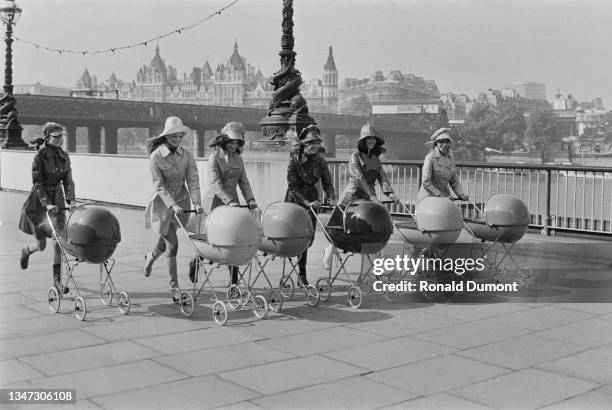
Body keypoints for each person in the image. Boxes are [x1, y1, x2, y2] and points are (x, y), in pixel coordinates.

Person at [143, 116, 203, 302]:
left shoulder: (187, 155)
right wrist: (173, 205)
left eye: (180, 136)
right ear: (166, 137)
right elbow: (159, 186)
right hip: (164, 203)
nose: (177, 140)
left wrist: (197, 202)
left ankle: (151, 257)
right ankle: (174, 287)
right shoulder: (156, 157)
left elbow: (193, 180)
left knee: (166, 240)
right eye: (173, 137)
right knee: (173, 244)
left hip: (183, 201)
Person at [323, 123, 399, 269]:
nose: (371, 141)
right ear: (363, 141)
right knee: (338, 226)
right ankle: (330, 249)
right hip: (352, 196)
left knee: (371, 227)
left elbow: (382, 177)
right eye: (368, 139)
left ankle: (376, 260)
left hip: (368, 197)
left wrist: (390, 193)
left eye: (374, 139)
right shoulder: (355, 156)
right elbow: (359, 178)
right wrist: (372, 196)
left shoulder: (375, 159)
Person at [19, 122, 76, 294]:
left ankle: (57, 283)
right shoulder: (39, 156)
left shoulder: (65, 156)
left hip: (57, 200)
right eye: (56, 137)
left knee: (58, 241)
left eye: (61, 136)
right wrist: (46, 203)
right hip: (39, 203)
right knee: (41, 244)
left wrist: (71, 199)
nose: (60, 140)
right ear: (48, 137)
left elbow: (68, 180)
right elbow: (37, 183)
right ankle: (27, 250)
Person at [203, 121, 257, 285]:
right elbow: (215, 183)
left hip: (232, 203)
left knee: (234, 240)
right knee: (211, 239)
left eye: (237, 142)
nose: (234, 145)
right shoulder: (214, 158)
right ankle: (197, 260)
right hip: (215, 201)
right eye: (231, 141)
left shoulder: (238, 160)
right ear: (223, 140)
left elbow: (244, 182)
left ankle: (234, 281)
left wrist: (250, 199)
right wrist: (230, 201)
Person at [285, 124, 336, 286]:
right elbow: (292, 187)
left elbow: (328, 182)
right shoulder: (293, 160)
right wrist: (306, 203)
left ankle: (301, 272)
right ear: (304, 145)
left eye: (317, 143)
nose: (315, 147)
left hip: (313, 201)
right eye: (311, 143)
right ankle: (302, 274)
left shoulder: (320, 162)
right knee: (299, 238)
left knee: (309, 239)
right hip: (295, 201)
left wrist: (331, 196)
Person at [416, 127, 468, 203]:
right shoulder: (430, 158)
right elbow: (426, 182)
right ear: (436, 143)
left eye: (447, 142)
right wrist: (440, 195)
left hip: (445, 197)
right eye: (441, 142)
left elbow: (454, 181)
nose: (444, 145)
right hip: (428, 198)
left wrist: (461, 194)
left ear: (449, 144)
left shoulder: (450, 158)